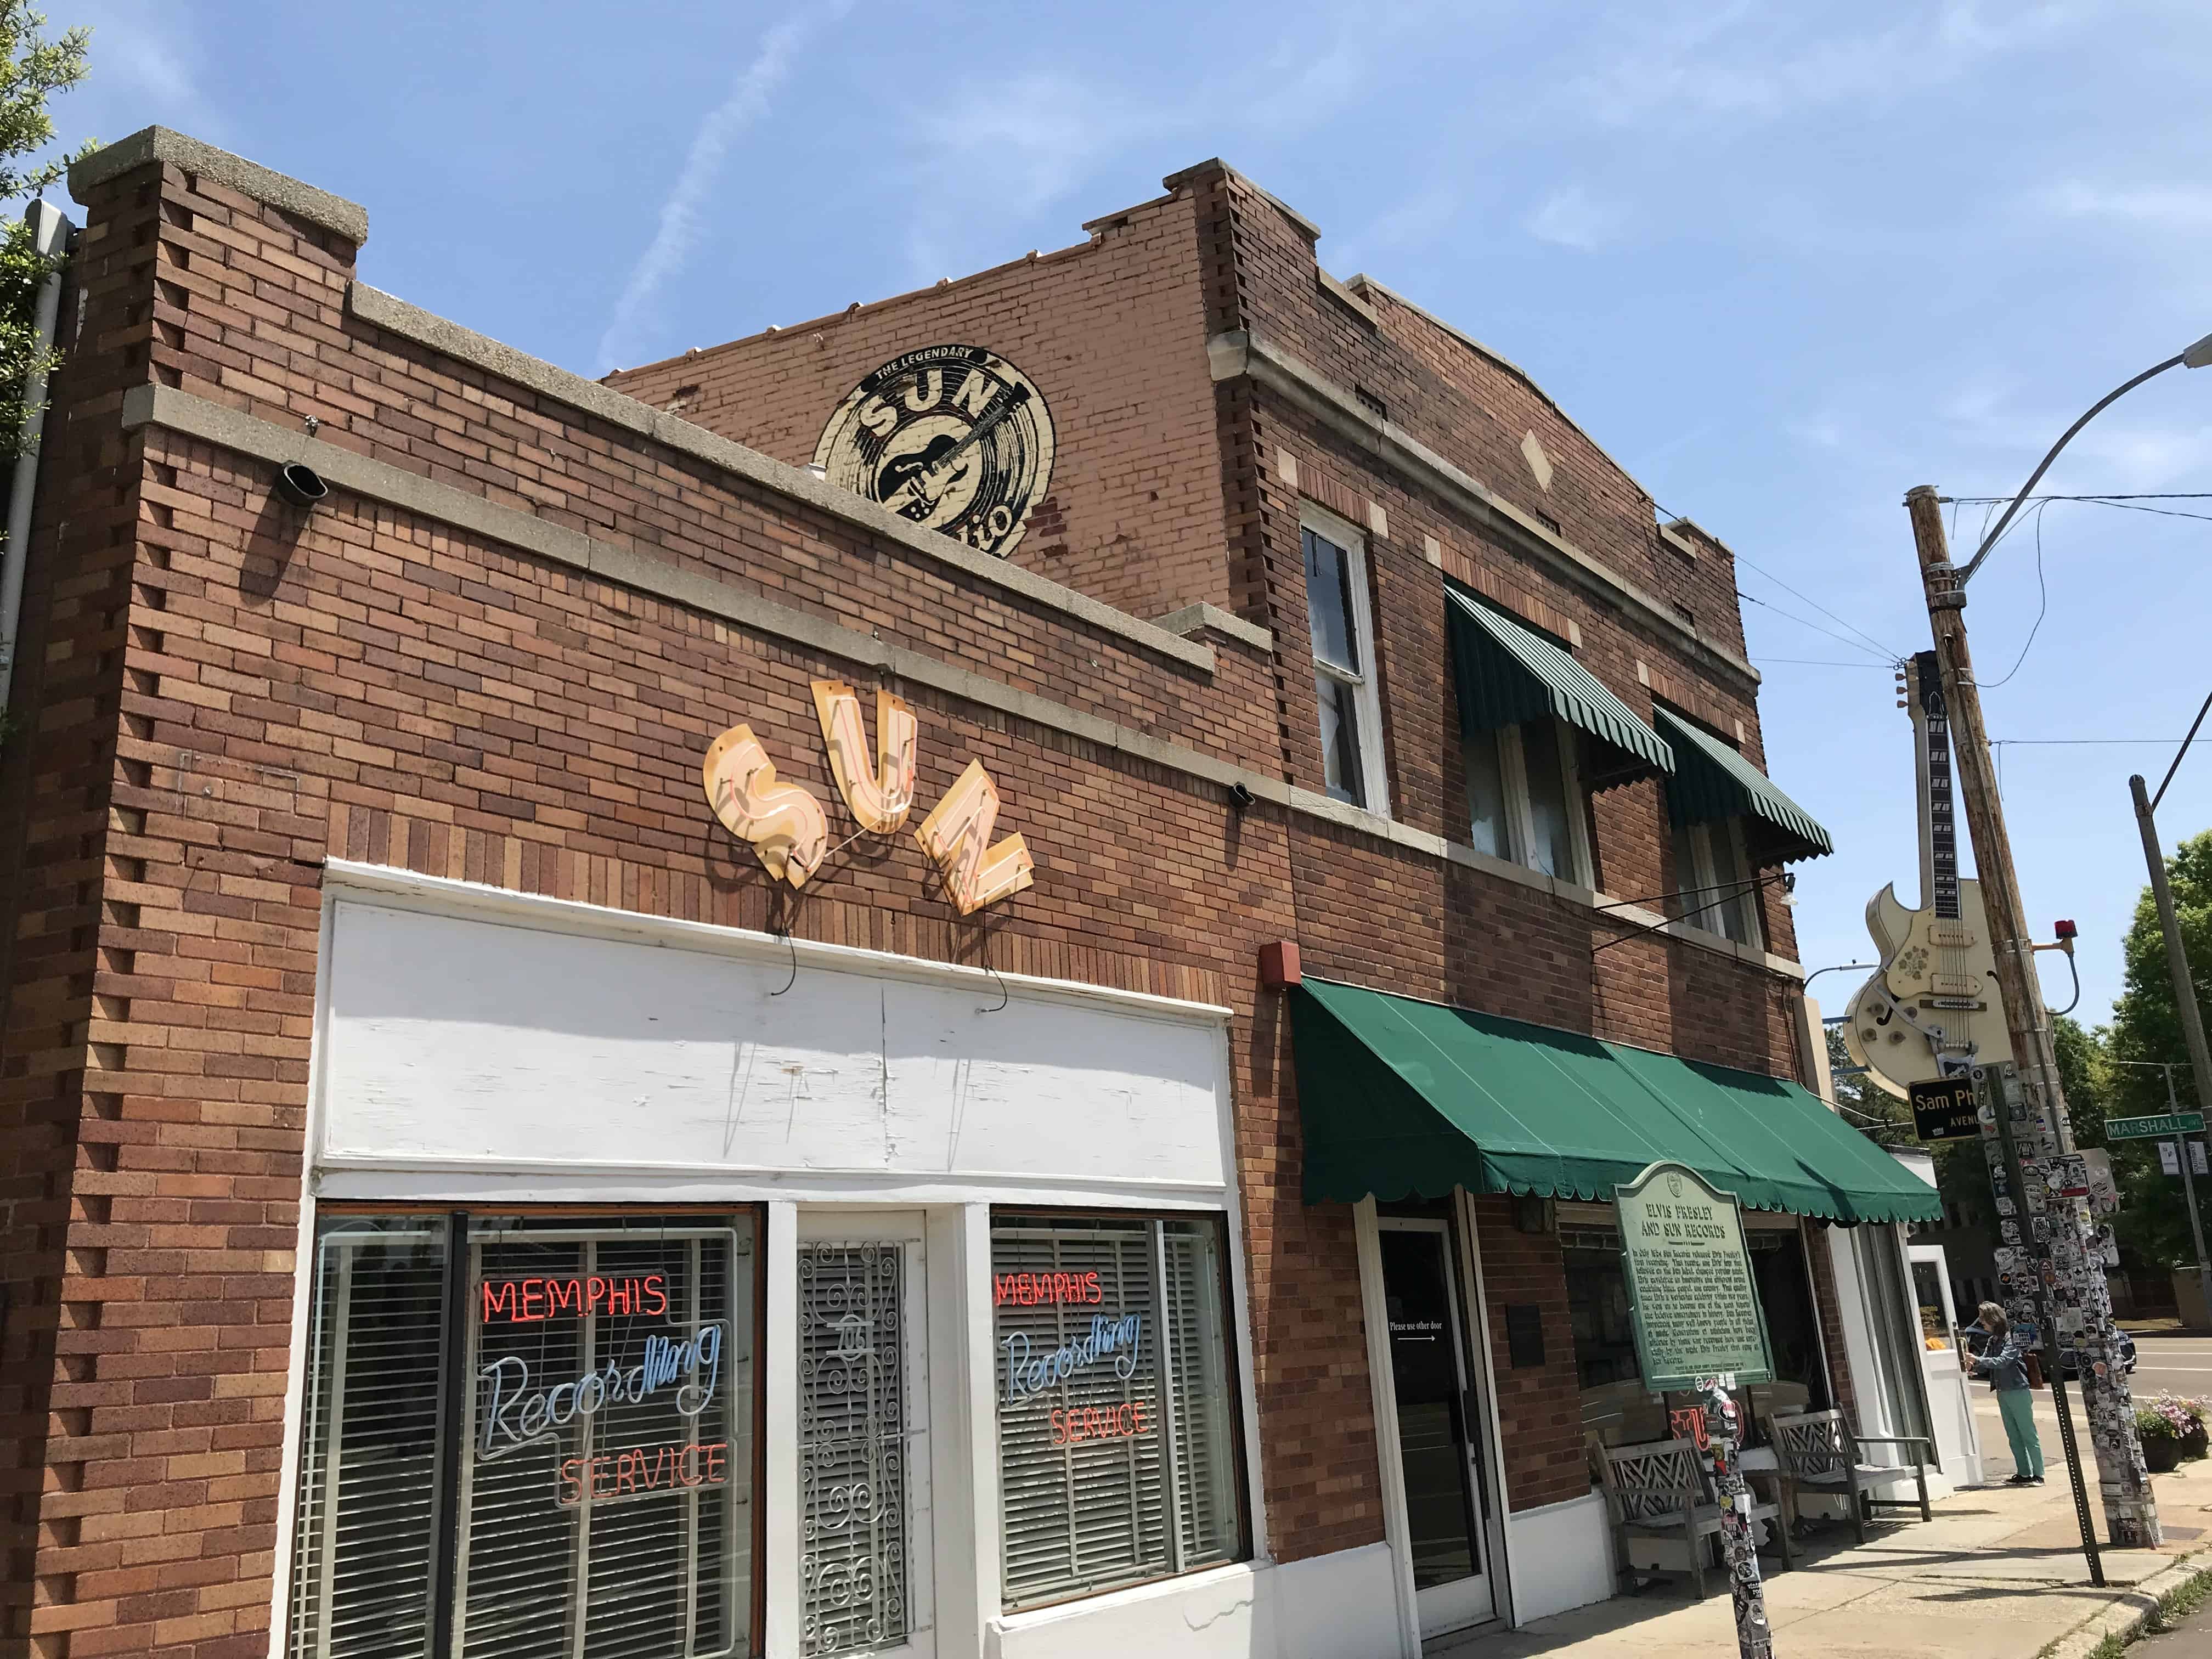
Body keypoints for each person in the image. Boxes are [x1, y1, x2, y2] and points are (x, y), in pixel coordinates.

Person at [1969, 1301, 2044, 1486]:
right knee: (2014, 1435)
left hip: (2018, 1390)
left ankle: (2039, 1474)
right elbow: (1988, 1361)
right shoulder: (1992, 1341)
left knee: (2028, 1434)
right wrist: (1973, 1365)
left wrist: (1977, 1360)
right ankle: (2024, 1473)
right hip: (2003, 1391)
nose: (1981, 1322)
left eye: (1984, 1318)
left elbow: (2003, 1361)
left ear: (1993, 1319)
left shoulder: (2012, 1340)